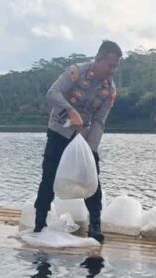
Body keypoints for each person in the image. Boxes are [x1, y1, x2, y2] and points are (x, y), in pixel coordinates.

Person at [33, 40, 122, 242]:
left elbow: (99, 121)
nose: (112, 70)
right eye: (110, 65)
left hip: (84, 137)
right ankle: (39, 224)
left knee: (93, 180)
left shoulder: (110, 90)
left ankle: (95, 226)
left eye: (115, 66)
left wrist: (91, 150)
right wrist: (71, 111)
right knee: (49, 178)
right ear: (98, 60)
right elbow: (52, 93)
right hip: (59, 131)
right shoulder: (75, 72)